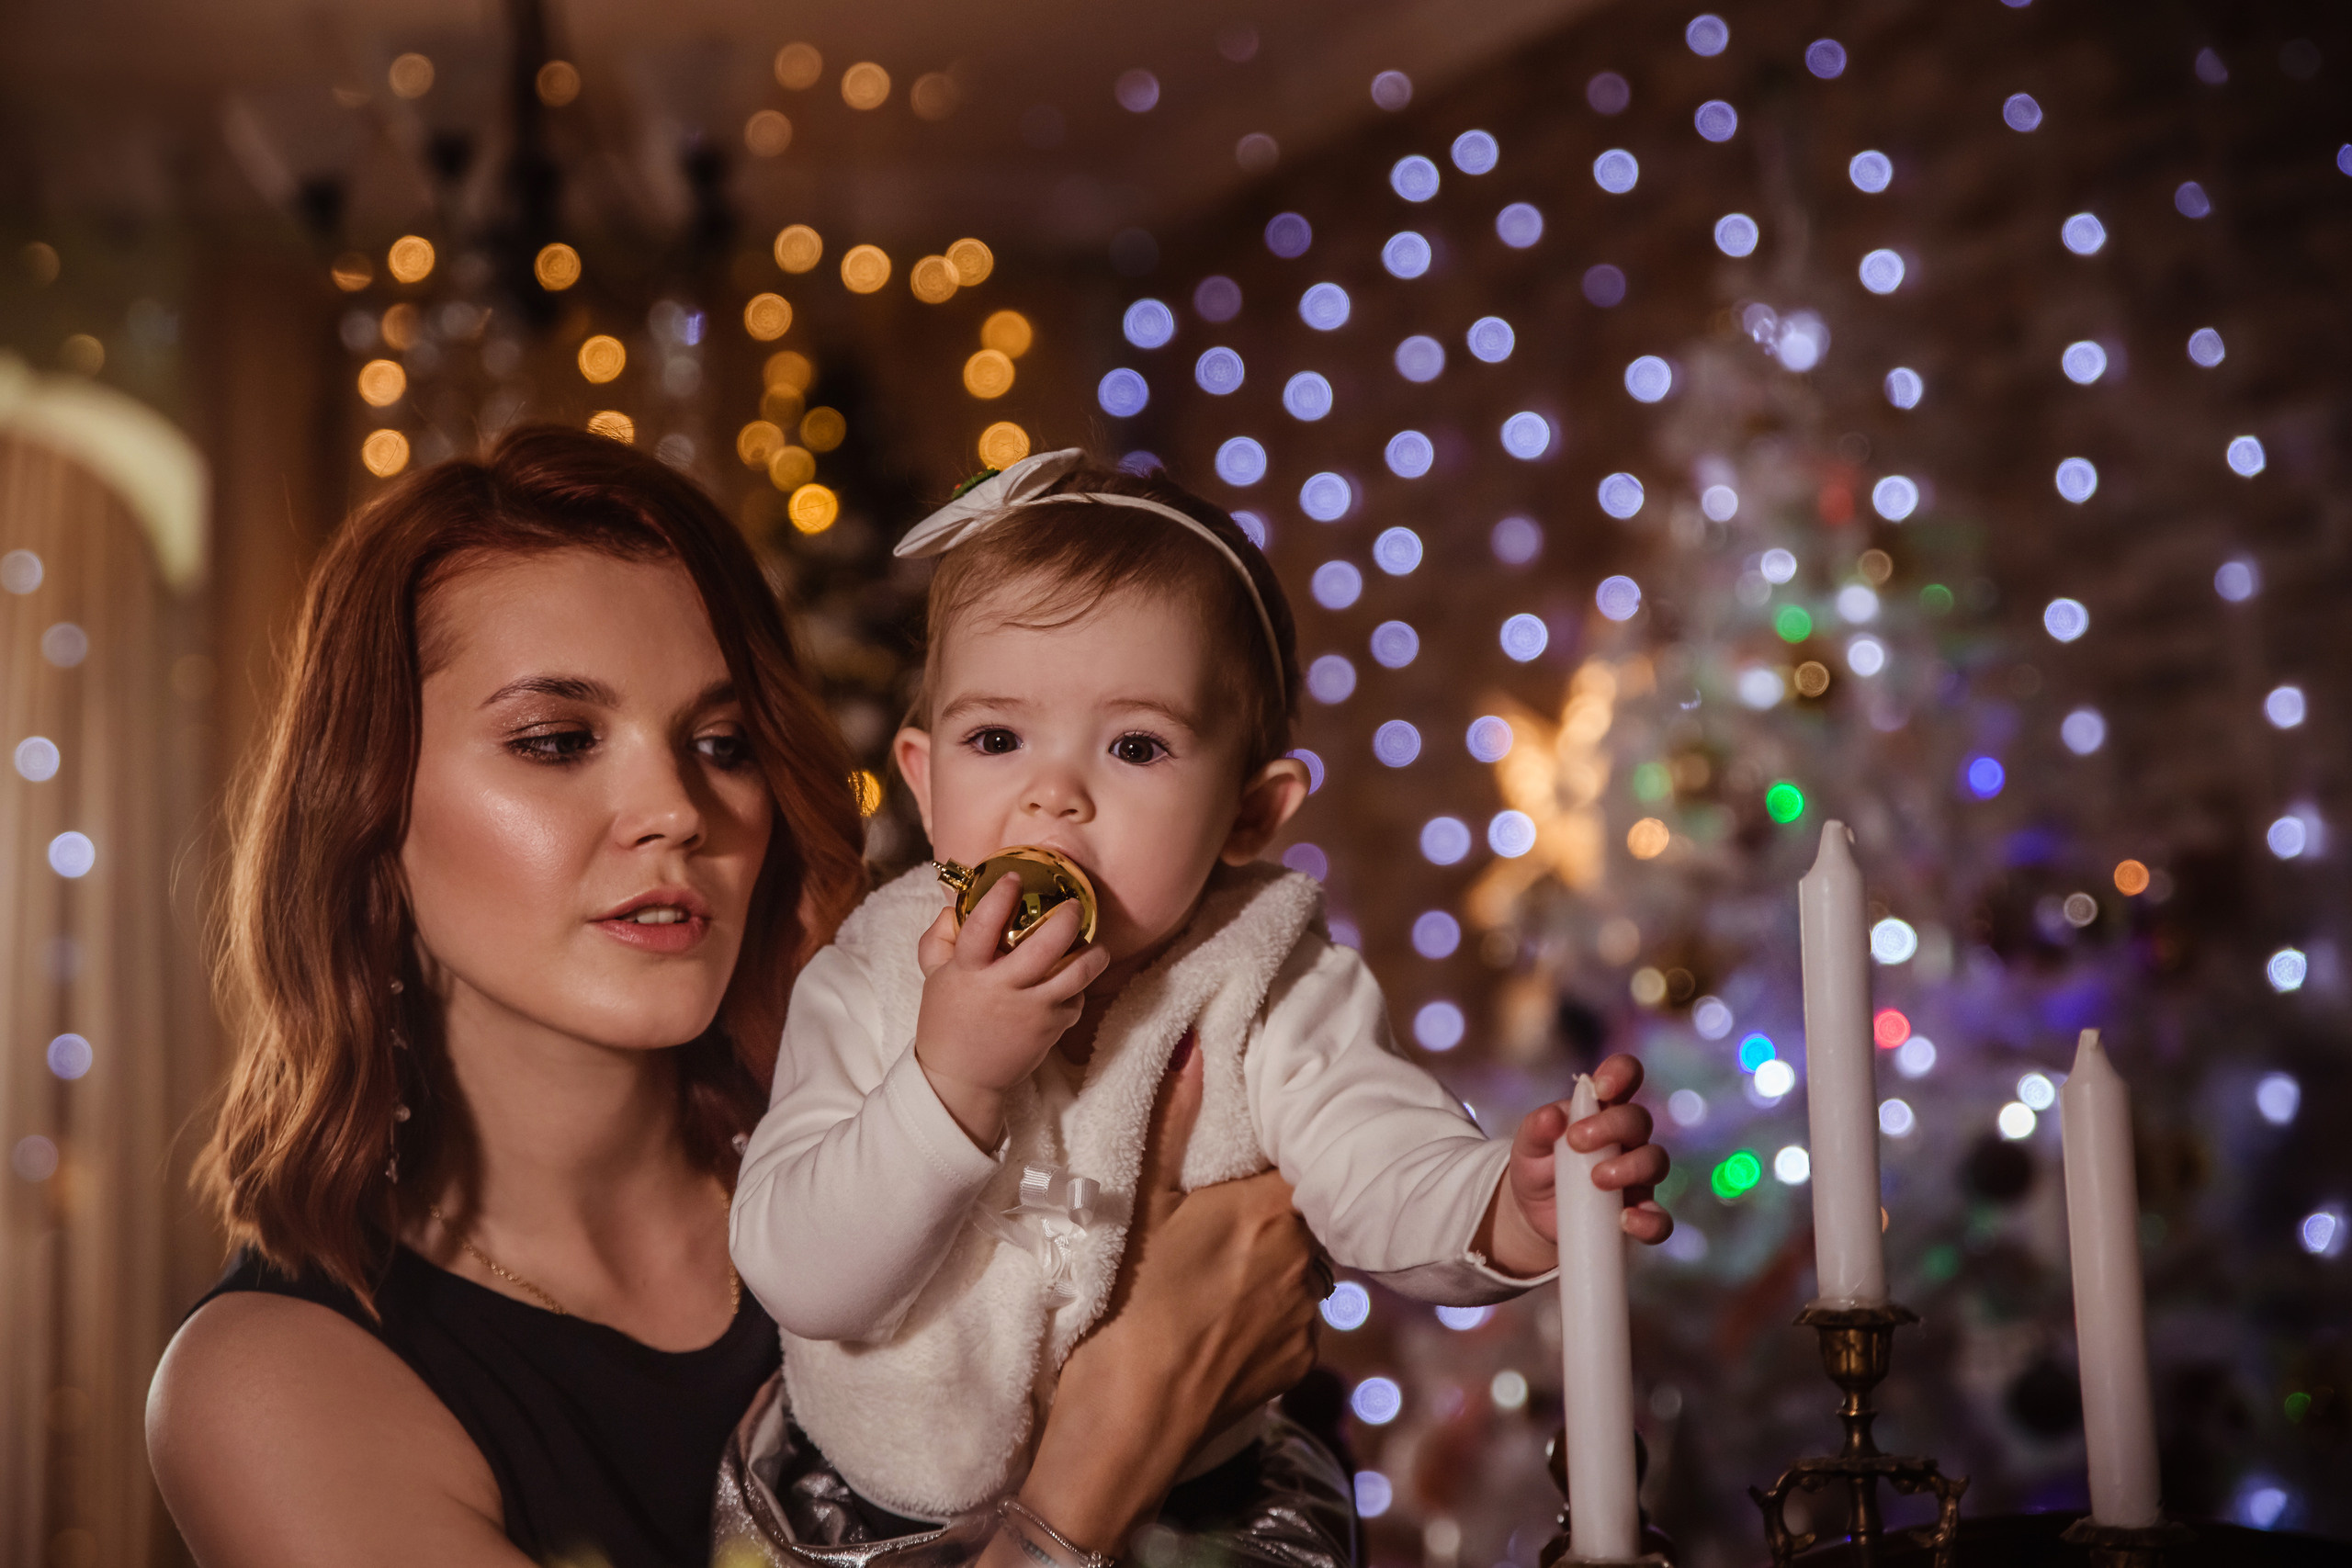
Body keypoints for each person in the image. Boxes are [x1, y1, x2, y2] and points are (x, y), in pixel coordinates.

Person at [144, 426, 1333, 1568]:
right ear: (369, 805)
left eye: (721, 743)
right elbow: (1138, 1414)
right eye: (557, 739)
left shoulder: (948, 1122)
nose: (674, 807)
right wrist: (1118, 1425)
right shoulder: (271, 1384)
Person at [729, 450, 1675, 1533]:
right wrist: (949, 1078)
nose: (1053, 794)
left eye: (1136, 745)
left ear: (1250, 814)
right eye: (996, 738)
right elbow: (798, 1274)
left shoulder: (1265, 979)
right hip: (879, 1515)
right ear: (924, 778)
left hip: (1192, 1515)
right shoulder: (870, 974)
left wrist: (1503, 1209)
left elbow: (1379, 1160)